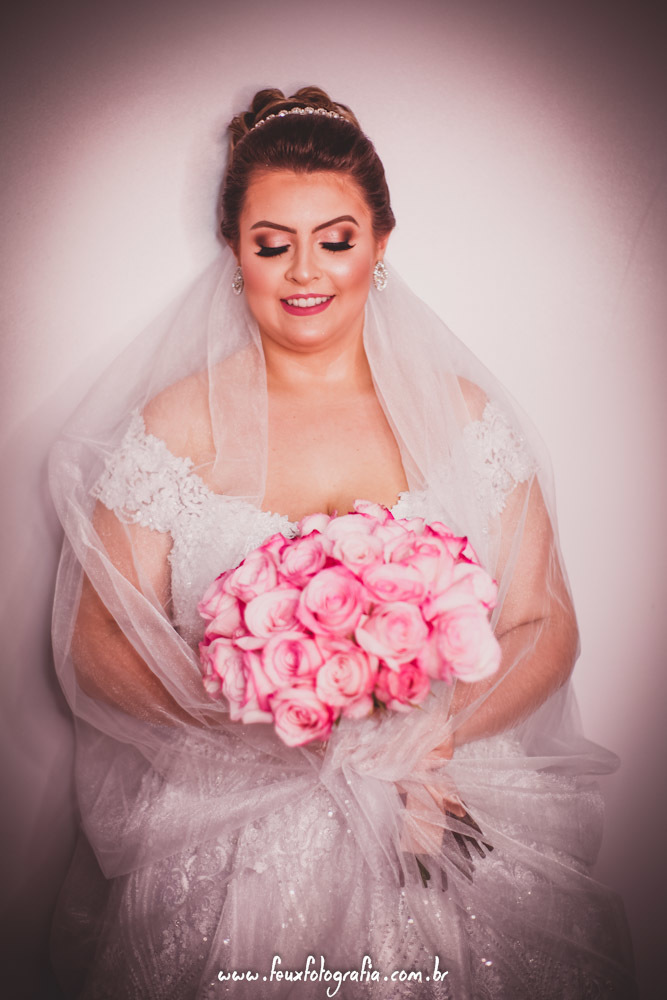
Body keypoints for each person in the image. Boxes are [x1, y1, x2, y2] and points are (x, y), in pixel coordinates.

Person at [49, 86, 636, 998]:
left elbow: (543, 624)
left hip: (437, 796)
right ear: (233, 251)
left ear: (379, 244)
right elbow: (95, 642)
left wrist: (427, 739)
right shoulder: (174, 428)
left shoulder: (462, 420)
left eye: (335, 239)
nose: (303, 272)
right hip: (234, 825)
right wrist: (242, 721)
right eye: (271, 244)